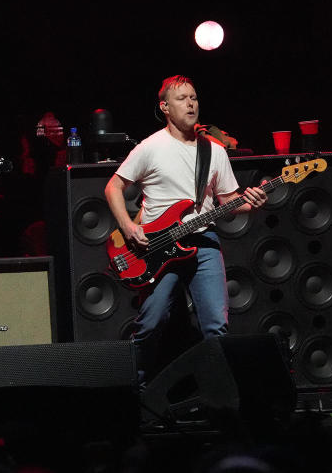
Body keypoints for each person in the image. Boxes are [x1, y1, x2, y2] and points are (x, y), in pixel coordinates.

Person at [104, 75, 267, 383]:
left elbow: (229, 200)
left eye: (194, 98)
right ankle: (136, 391)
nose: (191, 104)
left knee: (216, 325)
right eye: (182, 99)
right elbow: (114, 187)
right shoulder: (150, 148)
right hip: (156, 246)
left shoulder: (214, 150)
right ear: (165, 107)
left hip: (203, 241)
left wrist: (252, 200)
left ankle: (218, 398)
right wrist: (127, 227)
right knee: (152, 322)